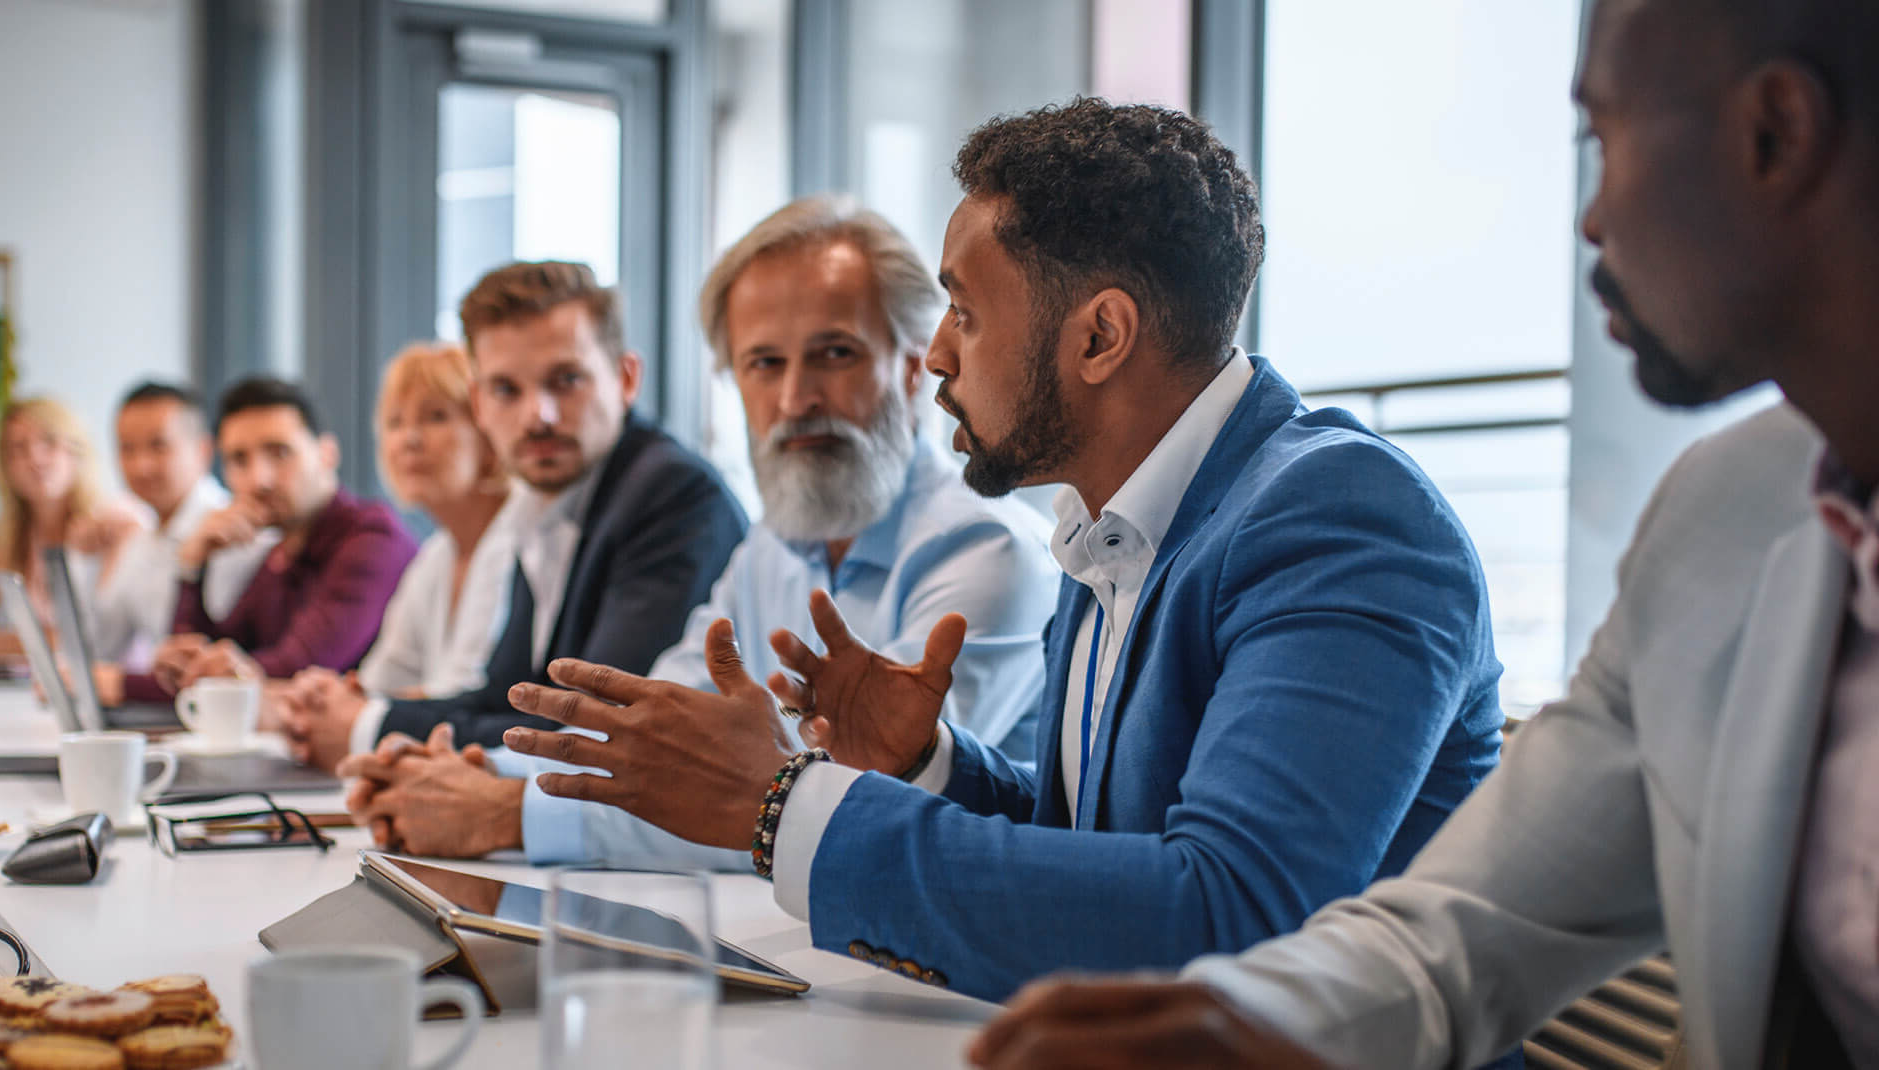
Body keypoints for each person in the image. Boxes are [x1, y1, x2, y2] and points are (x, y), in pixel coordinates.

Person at [962, 3, 1879, 1069]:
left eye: (1602, 138)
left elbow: (1230, 895)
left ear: (1775, 132)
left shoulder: (1334, 511)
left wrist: (814, 819)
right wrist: (1254, 1019)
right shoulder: (1721, 517)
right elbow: (1458, 930)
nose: (1588, 220)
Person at [498, 99, 1507, 1007]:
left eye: (966, 314)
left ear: (1100, 336)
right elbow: (1100, 848)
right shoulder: (1109, 525)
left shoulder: (1341, 518)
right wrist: (930, 763)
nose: (936, 354)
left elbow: (1230, 914)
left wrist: (782, 806)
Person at [335, 195, 1059, 864]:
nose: (795, 398)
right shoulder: (773, 545)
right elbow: (658, 728)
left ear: (910, 367)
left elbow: (845, 804)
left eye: (835, 354)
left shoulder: (984, 550)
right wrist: (464, 773)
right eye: (763, 363)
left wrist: (507, 811)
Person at [278, 261, 748, 769]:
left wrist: (368, 727)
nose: (537, 416)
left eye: (566, 380)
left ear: (625, 379)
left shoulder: (672, 495)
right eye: (506, 390)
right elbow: (510, 695)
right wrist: (363, 709)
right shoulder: (542, 503)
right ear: (479, 403)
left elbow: (593, 728)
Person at [145, 376, 416, 698]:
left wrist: (121, 684)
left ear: (327, 454)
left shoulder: (373, 540)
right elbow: (216, 658)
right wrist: (193, 566)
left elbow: (294, 668)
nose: (259, 479)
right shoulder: (281, 553)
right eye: (239, 460)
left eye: (279, 453)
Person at [289, 341, 517, 709]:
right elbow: (384, 678)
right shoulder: (437, 556)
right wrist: (332, 697)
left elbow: (469, 695)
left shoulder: (520, 540)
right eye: (395, 422)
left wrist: (355, 707)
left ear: (489, 431)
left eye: (436, 416)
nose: (409, 440)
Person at [78, 382, 267, 701]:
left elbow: (211, 664)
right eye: (127, 449)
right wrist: (91, 559)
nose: (141, 465)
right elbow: (100, 646)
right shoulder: (141, 540)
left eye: (158, 446)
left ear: (203, 451)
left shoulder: (237, 536)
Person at [0, 397, 130, 657]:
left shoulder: (112, 525)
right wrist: (42, 643)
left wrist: (31, 643)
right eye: (19, 448)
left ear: (77, 451)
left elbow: (100, 638)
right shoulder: (13, 541)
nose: (35, 459)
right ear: (6, 467)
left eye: (49, 442)